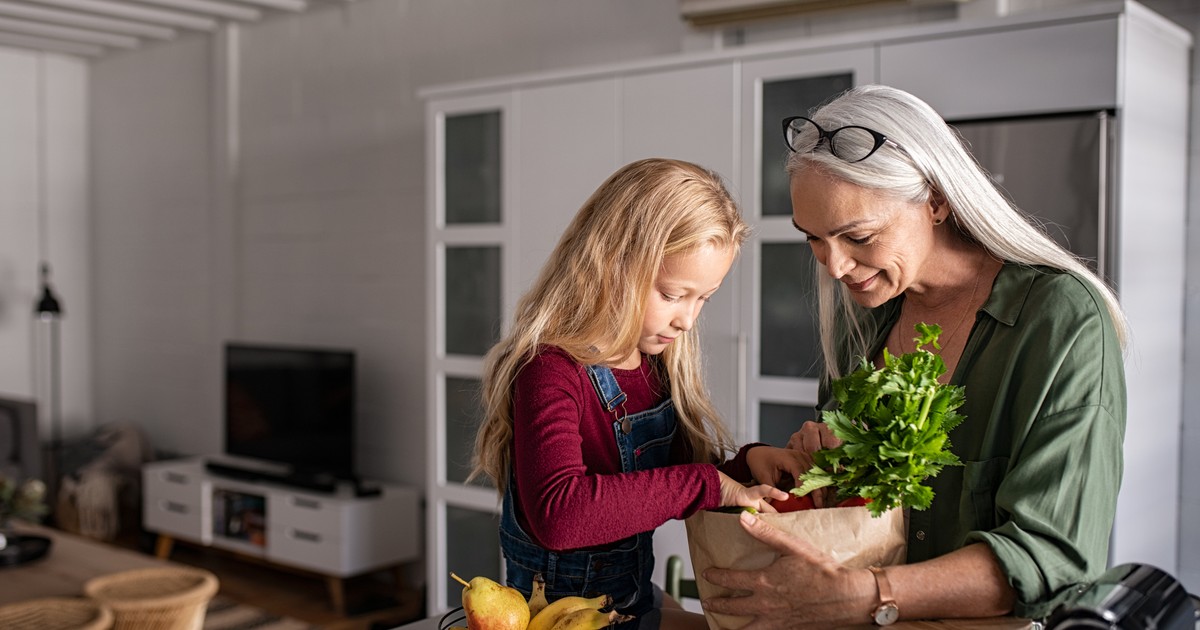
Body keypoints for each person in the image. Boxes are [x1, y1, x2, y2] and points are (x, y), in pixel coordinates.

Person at [701, 85, 1128, 626]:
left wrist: (863, 595)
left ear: (936, 200)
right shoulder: (863, 321)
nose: (833, 266)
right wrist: (820, 467)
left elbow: (1053, 559)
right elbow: (859, 521)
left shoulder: (1060, 321)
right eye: (813, 238)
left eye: (858, 235)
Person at [470, 158, 807, 628]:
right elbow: (560, 515)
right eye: (672, 294)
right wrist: (708, 485)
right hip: (554, 618)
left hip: (628, 605)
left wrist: (743, 466)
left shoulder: (654, 363)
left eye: (703, 298)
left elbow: (667, 478)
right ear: (610, 263)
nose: (687, 320)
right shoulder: (550, 370)